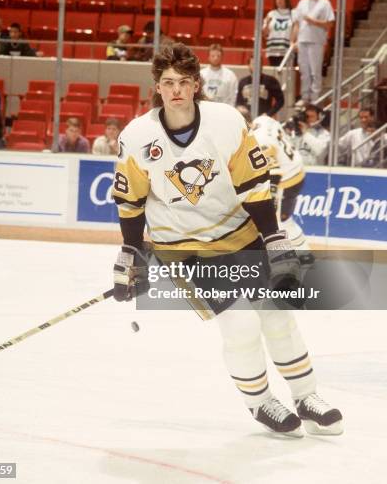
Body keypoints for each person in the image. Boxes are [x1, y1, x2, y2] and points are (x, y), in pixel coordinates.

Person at [111, 43, 343, 438]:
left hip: (240, 234)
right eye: (167, 83)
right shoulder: (137, 136)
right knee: (240, 324)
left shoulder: (226, 121)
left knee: (277, 315)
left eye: (184, 82)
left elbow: (254, 187)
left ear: (197, 84)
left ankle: (306, 396)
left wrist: (272, 238)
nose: (176, 90)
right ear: (157, 86)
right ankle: (260, 402)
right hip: (184, 249)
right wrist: (131, 253)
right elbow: (130, 202)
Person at [247, 110, 311, 255]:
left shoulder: (259, 140)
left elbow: (274, 172)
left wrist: (271, 200)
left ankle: (304, 255)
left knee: (279, 223)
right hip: (296, 168)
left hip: (286, 179)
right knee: (284, 221)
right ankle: (304, 254)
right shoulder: (263, 118)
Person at [291, 0, 335, 103]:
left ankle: (315, 97)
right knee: (304, 71)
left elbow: (329, 24)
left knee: (315, 71)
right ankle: (305, 97)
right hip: (302, 40)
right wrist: (293, 41)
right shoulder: (302, 3)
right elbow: (297, 24)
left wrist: (313, 21)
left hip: (316, 41)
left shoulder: (324, 3)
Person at [263, 0, 294, 67]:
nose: (279, 0)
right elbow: (264, 34)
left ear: (286, 0)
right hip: (273, 50)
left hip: (287, 50)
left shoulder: (293, 14)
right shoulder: (271, 14)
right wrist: (267, 23)